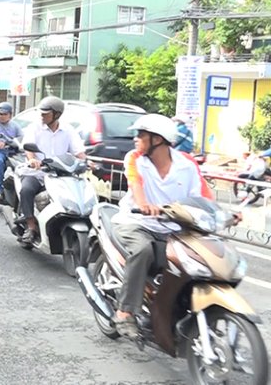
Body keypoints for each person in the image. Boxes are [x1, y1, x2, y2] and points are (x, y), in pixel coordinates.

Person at [111, 114, 232, 338]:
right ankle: (124, 312)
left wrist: (224, 214)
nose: (136, 139)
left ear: (157, 139)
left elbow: (204, 196)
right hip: (137, 222)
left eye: (141, 135)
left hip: (175, 228)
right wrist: (145, 205)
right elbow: (135, 185)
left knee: (200, 257)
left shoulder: (187, 164)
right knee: (142, 250)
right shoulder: (135, 158)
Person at [17, 96, 86, 243]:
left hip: (61, 175)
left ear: (57, 114)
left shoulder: (68, 130)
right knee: (26, 190)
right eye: (41, 113)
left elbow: (79, 152)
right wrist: (32, 160)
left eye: (45, 113)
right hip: (37, 172)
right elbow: (28, 147)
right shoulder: (34, 127)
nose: (42, 116)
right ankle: (31, 226)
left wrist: (86, 162)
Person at [0, 102, 24, 201]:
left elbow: (22, 137)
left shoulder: (15, 126)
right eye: (0, 114)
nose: (2, 116)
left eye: (4, 114)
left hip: (12, 151)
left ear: (10, 115)